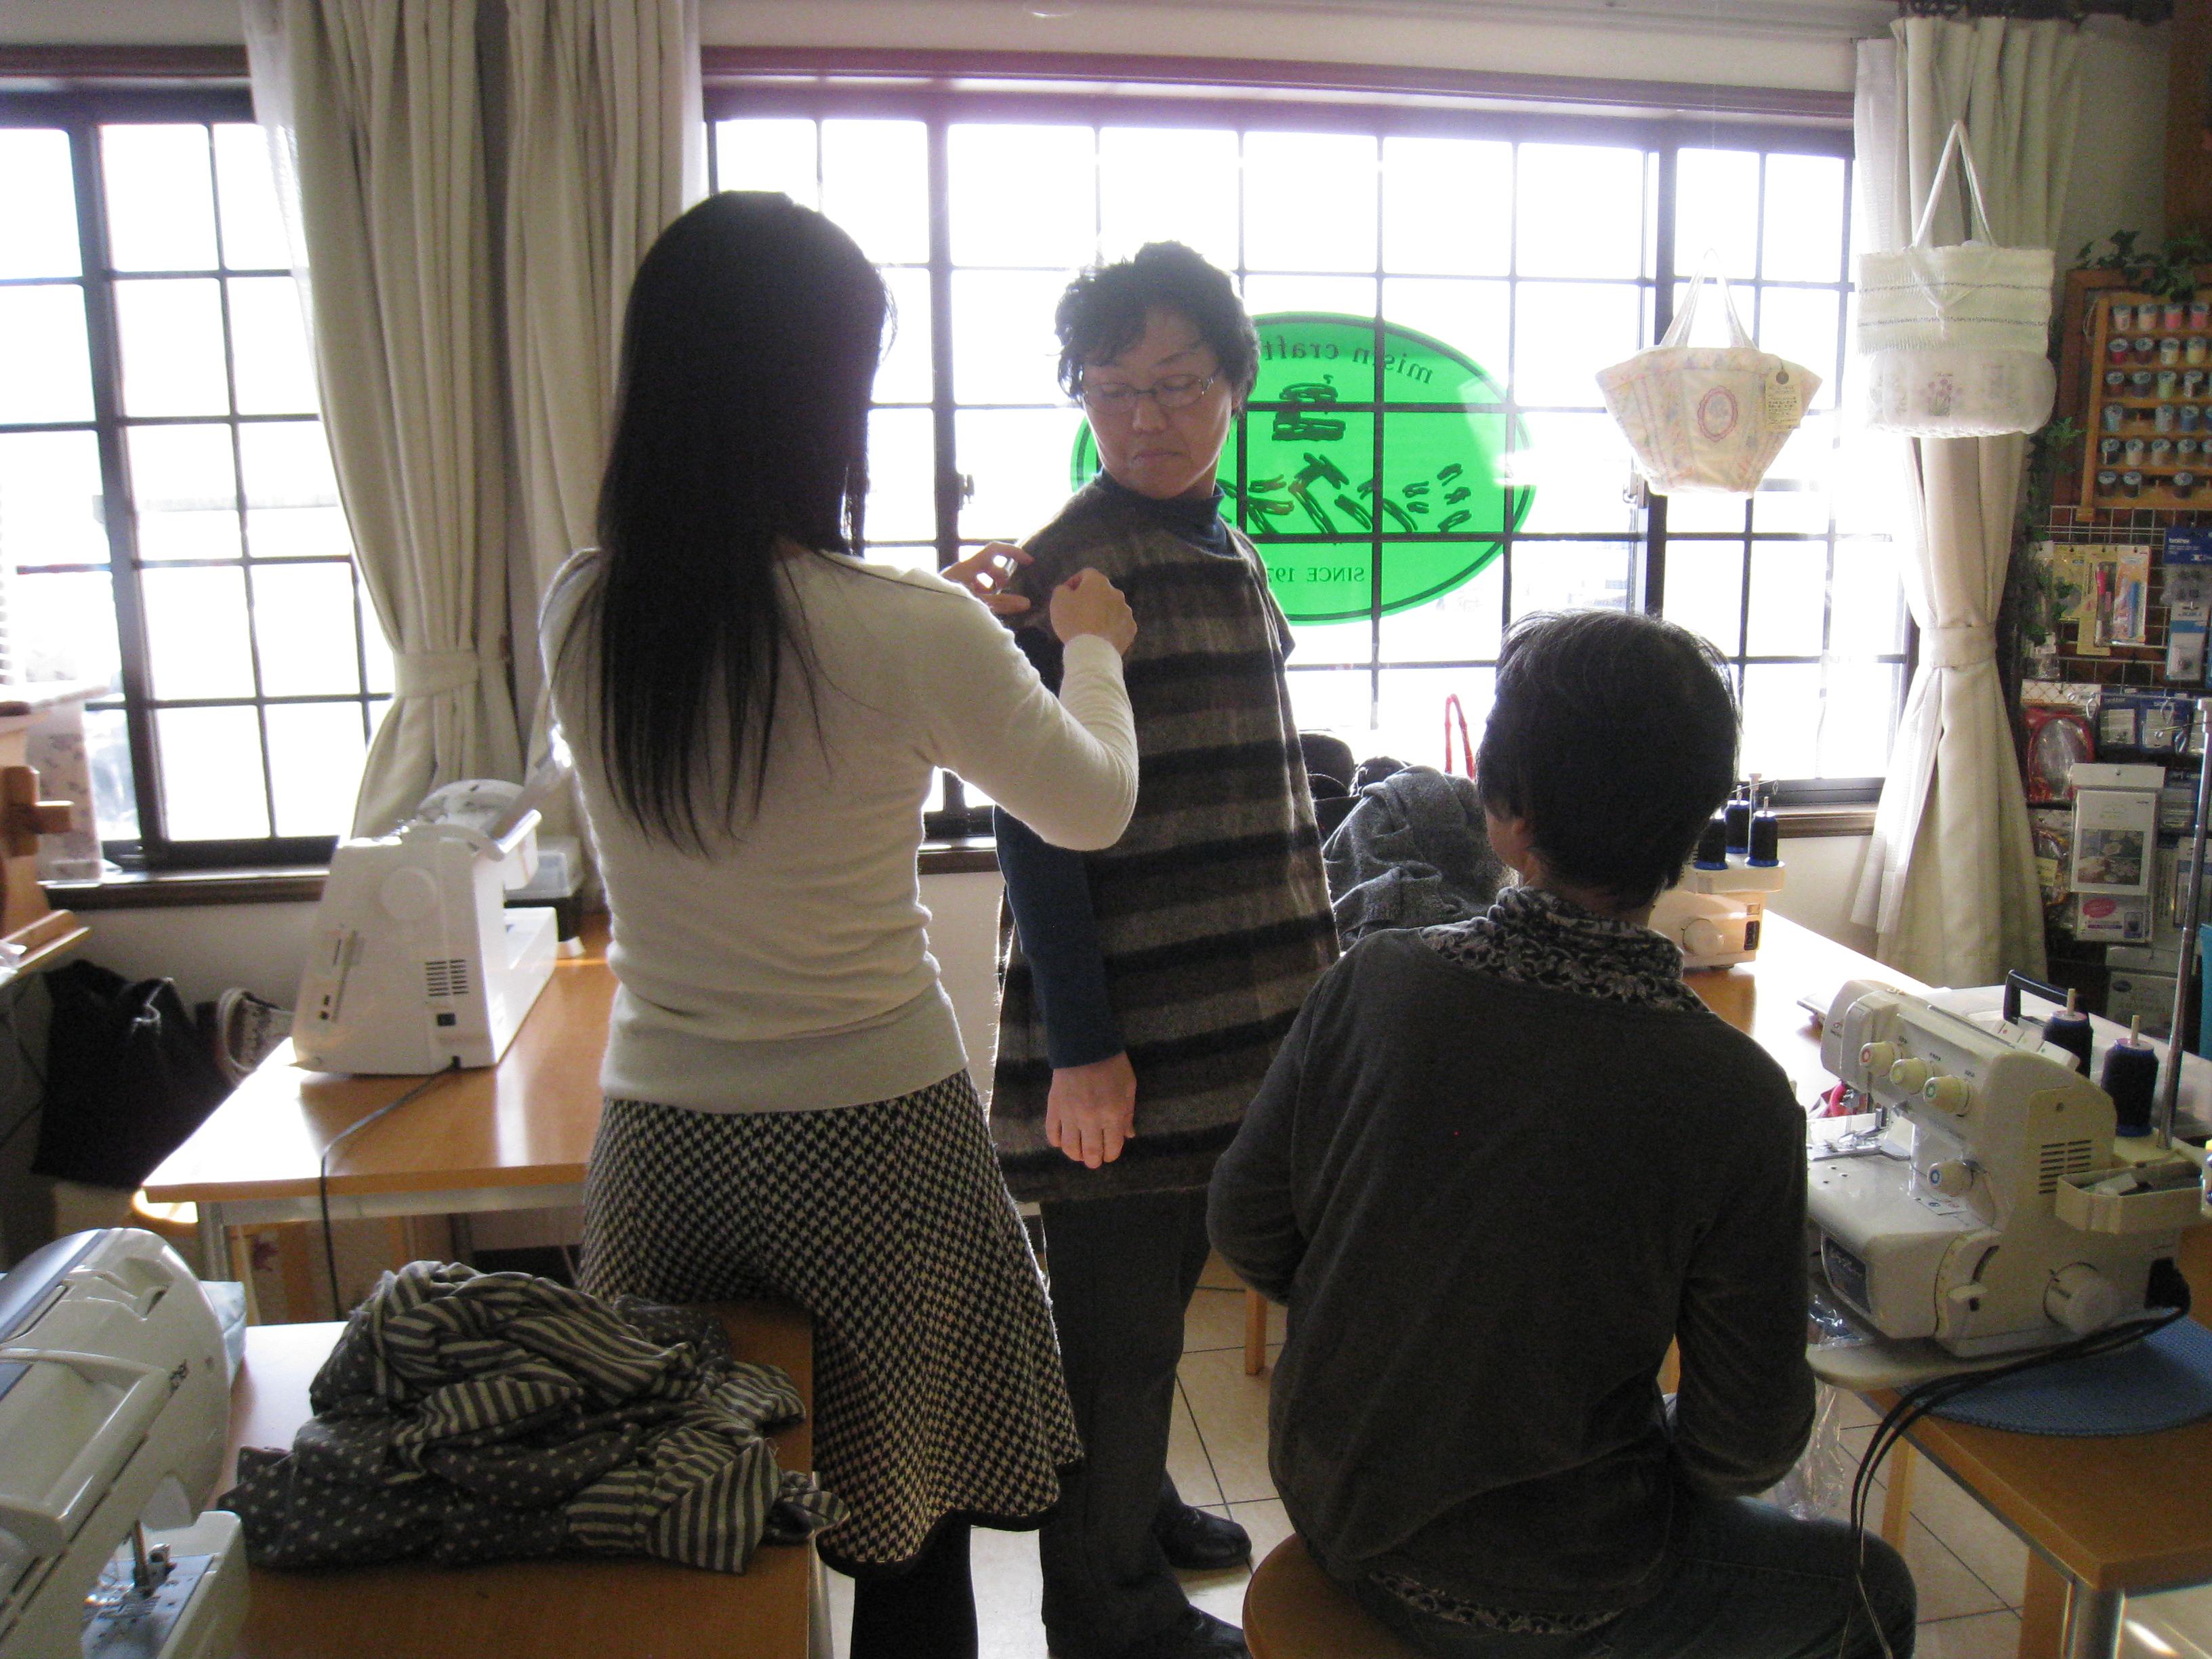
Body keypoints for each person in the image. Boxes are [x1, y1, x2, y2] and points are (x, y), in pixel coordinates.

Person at [542, 191, 1142, 1659]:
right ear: (824, 397)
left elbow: (778, 650)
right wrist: (1089, 653)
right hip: (877, 1137)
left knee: (685, 1528)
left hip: (665, 1145)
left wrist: (936, 621)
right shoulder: (909, 628)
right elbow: (1092, 806)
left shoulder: (582, 611)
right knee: (908, 1527)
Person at [1208, 609, 1919, 1659]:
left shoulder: (1376, 982)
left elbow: (1246, 1224)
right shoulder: (1734, 1097)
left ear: (1502, 810)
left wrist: (1402, 1328)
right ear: (1697, 825)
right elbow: (1743, 1446)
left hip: (1334, 1508)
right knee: (1872, 1588)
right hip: (1545, 1586)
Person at [952, 242, 1339, 1659]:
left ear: (1235, 383)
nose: (1145, 418)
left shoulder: (1220, 540)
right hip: (1129, 1031)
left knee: (1163, 1304)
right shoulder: (1071, 571)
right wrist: (1085, 1046)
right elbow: (1033, 830)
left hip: (1243, 1014)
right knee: (1114, 1342)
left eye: (1177, 384)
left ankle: (1143, 1504)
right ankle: (1106, 1612)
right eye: (1112, 389)